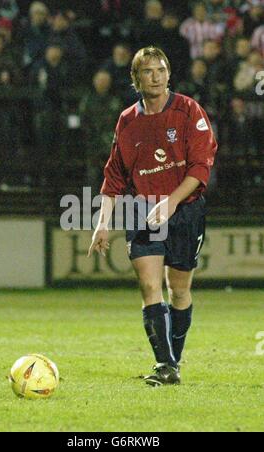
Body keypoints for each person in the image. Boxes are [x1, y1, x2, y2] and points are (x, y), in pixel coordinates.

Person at [88, 46, 218, 386]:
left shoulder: (189, 111)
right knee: (149, 284)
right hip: (142, 208)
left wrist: (173, 202)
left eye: (161, 69)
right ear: (136, 79)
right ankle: (165, 365)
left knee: (179, 290)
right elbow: (114, 175)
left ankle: (173, 361)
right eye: (148, 71)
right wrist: (102, 223)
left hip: (185, 209)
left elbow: (201, 167)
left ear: (169, 74)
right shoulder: (128, 121)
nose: (156, 76)